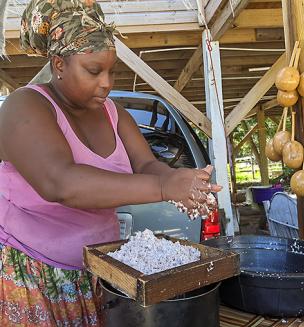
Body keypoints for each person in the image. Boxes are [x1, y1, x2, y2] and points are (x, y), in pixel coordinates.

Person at [0, 0, 221, 325]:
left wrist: (182, 181)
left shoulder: (115, 115)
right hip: (36, 275)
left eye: (112, 70)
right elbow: (60, 183)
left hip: (101, 271)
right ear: (59, 63)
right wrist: (162, 186)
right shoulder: (24, 106)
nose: (107, 83)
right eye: (94, 70)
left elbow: (146, 165)